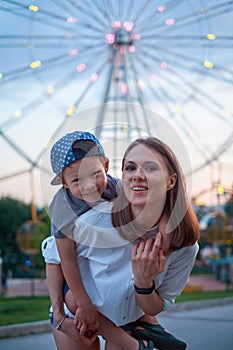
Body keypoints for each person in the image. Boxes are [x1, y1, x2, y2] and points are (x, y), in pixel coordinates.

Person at [42, 132, 199, 350]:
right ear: (64, 183)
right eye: (130, 167)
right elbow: (56, 258)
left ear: (106, 167)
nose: (137, 176)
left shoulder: (183, 246)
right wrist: (59, 316)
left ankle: (147, 327)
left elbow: (157, 304)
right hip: (78, 311)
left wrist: (144, 282)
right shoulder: (86, 217)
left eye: (151, 168)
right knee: (74, 298)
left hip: (127, 317)